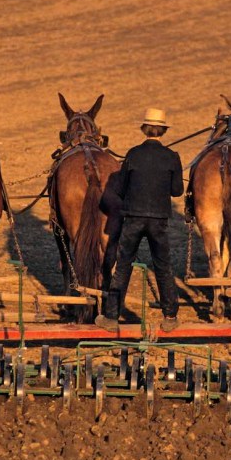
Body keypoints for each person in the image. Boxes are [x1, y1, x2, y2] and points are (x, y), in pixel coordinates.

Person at [96, 108, 184, 332]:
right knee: (163, 266)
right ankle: (170, 316)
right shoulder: (172, 157)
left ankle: (112, 317)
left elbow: (122, 188)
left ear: (144, 129)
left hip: (133, 218)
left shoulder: (133, 154)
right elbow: (176, 191)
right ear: (163, 130)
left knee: (123, 266)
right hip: (159, 220)